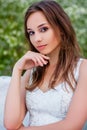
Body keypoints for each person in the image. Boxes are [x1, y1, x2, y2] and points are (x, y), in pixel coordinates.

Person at [4, 0, 87, 130]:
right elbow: (10, 123)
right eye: (31, 32)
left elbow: (72, 125)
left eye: (43, 29)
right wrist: (17, 69)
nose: (37, 38)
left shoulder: (83, 68)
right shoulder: (32, 72)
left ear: (61, 29)